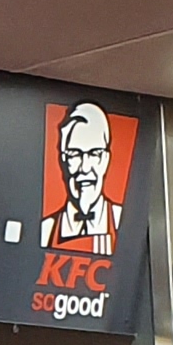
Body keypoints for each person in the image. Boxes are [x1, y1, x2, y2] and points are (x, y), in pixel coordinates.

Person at [49, 102, 117, 255]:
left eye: (94, 154)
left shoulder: (123, 222)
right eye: (75, 154)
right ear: (63, 161)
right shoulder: (47, 228)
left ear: (105, 160)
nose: (85, 168)